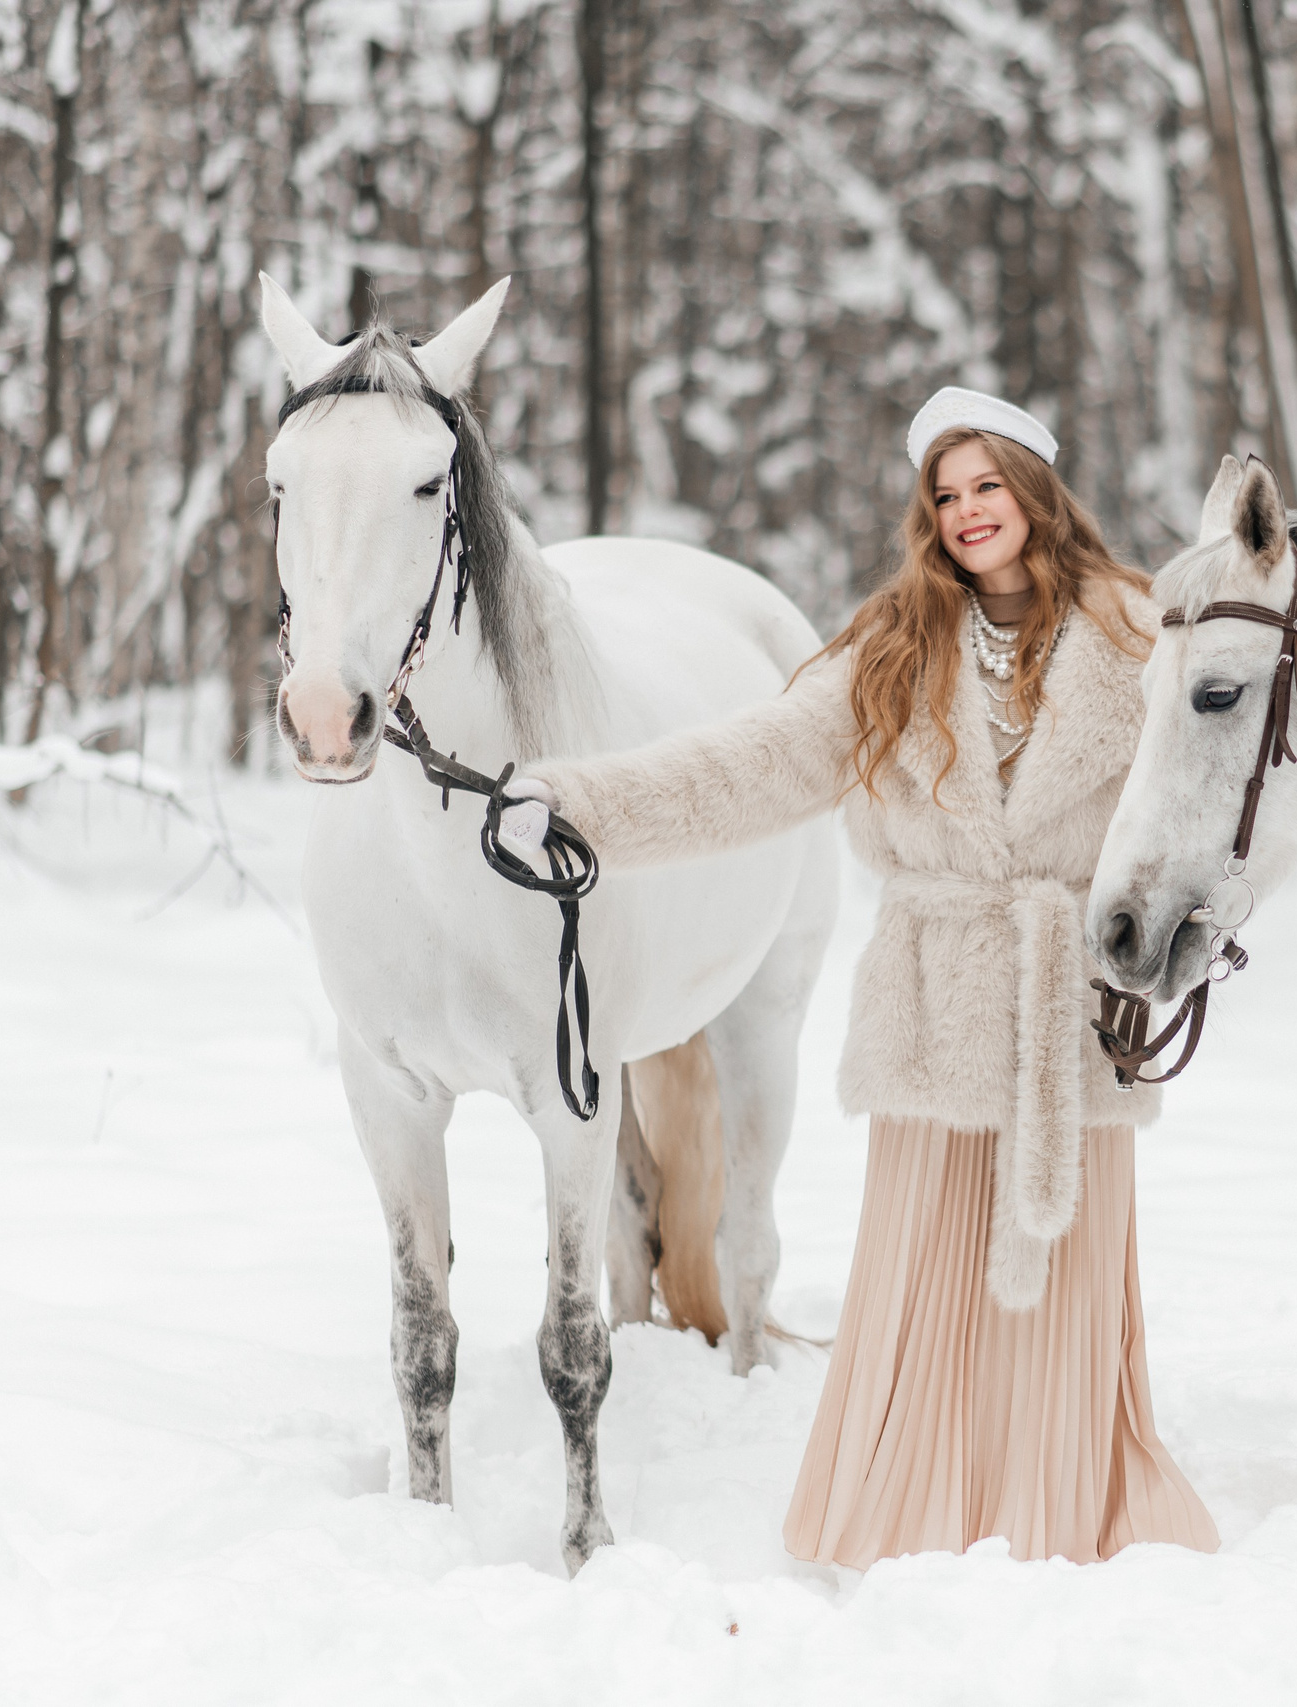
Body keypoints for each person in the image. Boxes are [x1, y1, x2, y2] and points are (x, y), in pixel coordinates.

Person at [502, 387, 1219, 1567]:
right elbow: (746, 769)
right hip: (934, 1008)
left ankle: (1064, 1505)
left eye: (987, 485)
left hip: (1076, 1015)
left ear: (1036, 491)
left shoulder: (1144, 639)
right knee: (924, 1277)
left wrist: (1197, 923)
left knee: (1069, 1278)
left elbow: (1215, 794)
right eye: (945, 493)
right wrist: (582, 807)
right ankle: (917, 1510)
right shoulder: (894, 647)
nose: (967, 510)